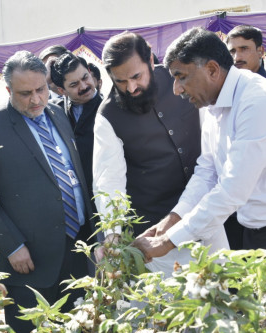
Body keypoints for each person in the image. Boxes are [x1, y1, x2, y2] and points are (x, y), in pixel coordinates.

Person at [134, 27, 266, 333]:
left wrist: (169, 242)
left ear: (211, 69)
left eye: (181, 77)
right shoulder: (212, 103)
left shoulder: (260, 102)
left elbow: (231, 190)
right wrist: (170, 220)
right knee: (260, 331)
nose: (178, 90)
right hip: (257, 233)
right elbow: (207, 171)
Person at [0, 50, 93, 333]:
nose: (36, 100)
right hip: (28, 263)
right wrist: (13, 245)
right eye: (25, 93)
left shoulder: (58, 114)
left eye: (41, 89)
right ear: (8, 90)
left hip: (75, 250)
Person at [93, 31, 229, 276]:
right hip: (155, 235)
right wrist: (112, 234)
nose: (131, 87)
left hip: (206, 215)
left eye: (137, 76)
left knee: (217, 298)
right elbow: (109, 181)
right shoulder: (107, 115)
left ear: (150, 59)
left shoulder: (182, 80)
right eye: (120, 82)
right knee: (170, 308)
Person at [50, 52, 102, 212]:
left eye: (85, 77)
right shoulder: (54, 112)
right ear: (61, 90)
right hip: (73, 205)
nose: (84, 86)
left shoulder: (108, 110)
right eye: (74, 85)